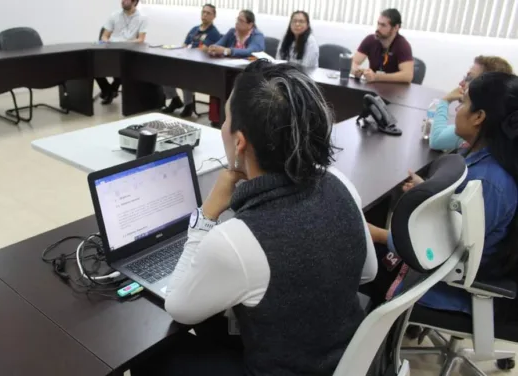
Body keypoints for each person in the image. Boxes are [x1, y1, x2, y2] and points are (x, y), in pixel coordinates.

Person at [131, 60, 377, 375]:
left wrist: (206, 216)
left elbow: (179, 307)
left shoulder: (238, 239)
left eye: (226, 118)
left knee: (155, 357)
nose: (222, 126)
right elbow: (367, 272)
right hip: (347, 360)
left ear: (239, 142)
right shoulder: (339, 184)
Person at [365, 72, 518, 316]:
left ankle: (361, 340)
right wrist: (429, 191)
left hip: (445, 286)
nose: (457, 109)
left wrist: (379, 235)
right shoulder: (482, 159)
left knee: (352, 257)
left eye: (464, 103)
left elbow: (437, 250)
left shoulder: (488, 184)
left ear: (479, 117)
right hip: (441, 269)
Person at [430, 56, 514, 151]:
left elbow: (436, 140)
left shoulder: (474, 129)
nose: (461, 83)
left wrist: (445, 101)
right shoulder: (503, 123)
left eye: (469, 78)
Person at [207, 10, 265, 128]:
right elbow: (219, 44)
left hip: (249, 73)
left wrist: (227, 50)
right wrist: (213, 48)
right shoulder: (232, 32)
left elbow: (251, 51)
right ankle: (219, 119)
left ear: (250, 25)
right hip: (229, 70)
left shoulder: (257, 35)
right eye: (237, 19)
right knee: (217, 82)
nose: (237, 23)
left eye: (241, 20)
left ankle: (236, 122)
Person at [162, 4, 222, 117]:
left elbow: (202, 50)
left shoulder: (213, 33)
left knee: (186, 74)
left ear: (214, 16)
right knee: (165, 71)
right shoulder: (194, 29)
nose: (205, 15)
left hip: (202, 67)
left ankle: (188, 105)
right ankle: (175, 99)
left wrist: (188, 50)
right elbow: (184, 45)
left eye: (208, 13)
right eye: (203, 12)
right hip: (187, 61)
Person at [96, 0, 148, 105]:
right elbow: (105, 35)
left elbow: (141, 39)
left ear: (134, 2)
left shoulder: (142, 18)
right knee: (95, 66)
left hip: (129, 51)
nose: (122, 1)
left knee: (124, 67)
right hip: (112, 49)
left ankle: (112, 90)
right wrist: (107, 42)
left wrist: (124, 44)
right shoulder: (114, 15)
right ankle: (108, 90)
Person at [351, 8, 414, 83]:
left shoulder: (403, 45)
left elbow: (407, 76)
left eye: (383, 25)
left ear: (396, 28)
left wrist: (377, 77)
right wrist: (357, 71)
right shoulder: (370, 40)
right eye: (378, 24)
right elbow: (354, 62)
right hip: (372, 88)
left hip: (393, 91)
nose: (378, 28)